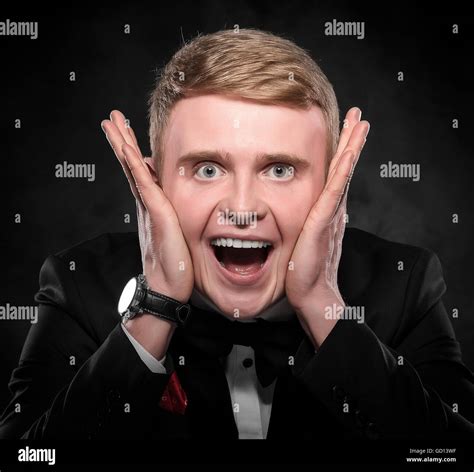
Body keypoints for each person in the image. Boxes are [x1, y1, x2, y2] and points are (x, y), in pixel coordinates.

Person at [1, 28, 473, 440]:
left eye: (280, 169)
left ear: (334, 187)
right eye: (208, 169)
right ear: (153, 186)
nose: (242, 209)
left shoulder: (405, 284)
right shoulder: (78, 285)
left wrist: (323, 307)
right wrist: (154, 310)